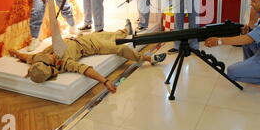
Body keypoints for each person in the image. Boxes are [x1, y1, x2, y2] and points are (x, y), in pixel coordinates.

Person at [9, 20, 167, 93]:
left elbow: (24, 57)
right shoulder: (65, 63)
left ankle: (126, 30)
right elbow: (86, 70)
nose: (49, 56)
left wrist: (14, 52)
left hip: (82, 38)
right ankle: (148, 59)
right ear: (52, 67)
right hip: (91, 47)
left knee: (110, 34)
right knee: (119, 47)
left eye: (46, 58)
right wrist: (105, 81)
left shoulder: (38, 59)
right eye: (49, 60)